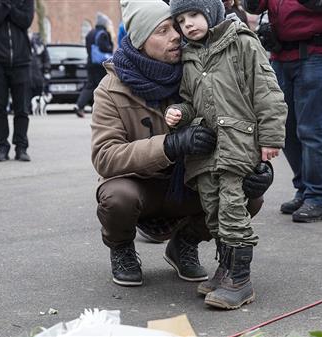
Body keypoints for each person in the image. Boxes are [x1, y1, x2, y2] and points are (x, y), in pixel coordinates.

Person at [91, 0, 274, 289]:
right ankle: (122, 249)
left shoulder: (198, 69)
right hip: (142, 186)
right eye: (162, 31)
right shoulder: (111, 88)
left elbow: (241, 116)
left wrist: (258, 167)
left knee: (249, 196)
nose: (176, 35)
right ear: (140, 42)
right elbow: (105, 156)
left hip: (191, 182)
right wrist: (169, 145)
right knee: (117, 198)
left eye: (175, 27)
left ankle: (185, 243)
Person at [166, 0, 287, 309]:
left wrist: (271, 137)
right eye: (180, 20)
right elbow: (189, 99)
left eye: (193, 14)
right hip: (206, 151)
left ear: (210, 11)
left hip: (238, 143)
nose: (188, 24)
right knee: (213, 210)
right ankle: (226, 268)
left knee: (233, 208)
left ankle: (240, 280)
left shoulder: (241, 41)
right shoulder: (190, 55)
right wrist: (179, 112)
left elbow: (267, 91)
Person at [243, 0, 322, 222]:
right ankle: (305, 189)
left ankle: (320, 198)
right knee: (286, 129)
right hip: (280, 56)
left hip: (317, 54)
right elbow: (253, 7)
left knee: (313, 130)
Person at [0, 0, 35, 162]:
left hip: (22, 60)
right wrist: (9, 6)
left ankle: (21, 147)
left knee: (22, 108)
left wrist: (8, 7)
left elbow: (25, 20)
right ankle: (2, 146)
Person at [75, 12, 114, 118]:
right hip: (100, 65)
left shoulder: (90, 33)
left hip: (90, 63)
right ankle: (97, 108)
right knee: (101, 86)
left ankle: (80, 105)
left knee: (90, 85)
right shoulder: (103, 34)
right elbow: (105, 48)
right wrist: (111, 46)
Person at [29, 32, 51, 99]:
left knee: (37, 98)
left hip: (37, 77)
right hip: (29, 77)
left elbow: (46, 59)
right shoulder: (22, 43)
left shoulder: (39, 44)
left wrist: (46, 70)